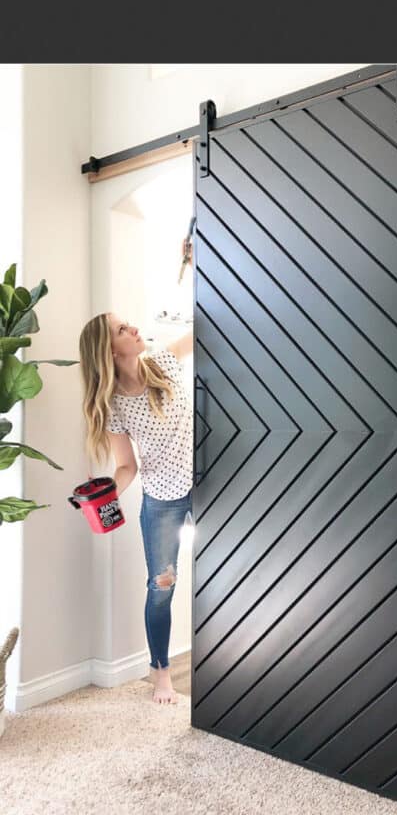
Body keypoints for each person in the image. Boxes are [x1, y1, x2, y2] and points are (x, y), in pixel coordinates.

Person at [78, 239, 194, 706]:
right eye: (122, 328)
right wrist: (106, 492)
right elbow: (127, 466)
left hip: (210, 484)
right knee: (161, 587)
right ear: (109, 349)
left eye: (127, 321)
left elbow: (207, 321)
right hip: (162, 500)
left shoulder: (163, 359)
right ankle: (160, 672)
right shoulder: (113, 406)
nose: (133, 327)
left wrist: (192, 260)